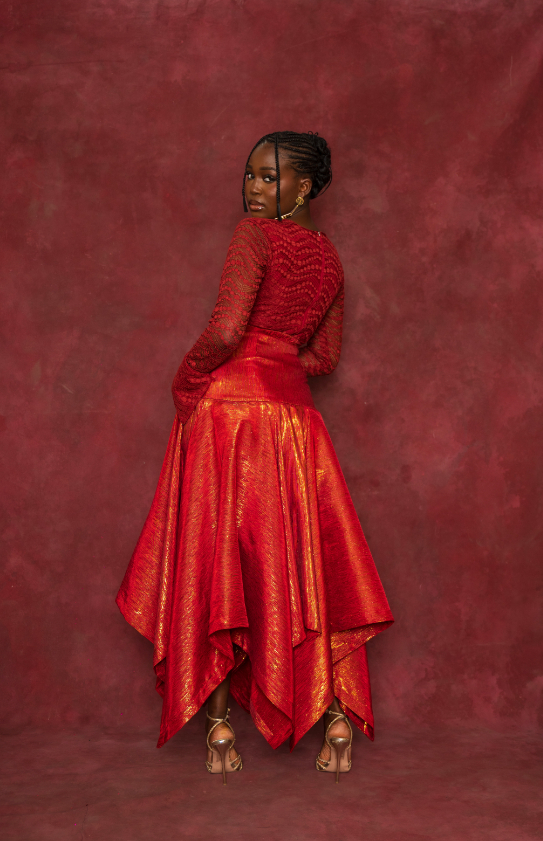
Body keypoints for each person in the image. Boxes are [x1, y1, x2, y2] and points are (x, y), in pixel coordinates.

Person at [116, 131, 393, 784]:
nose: (254, 187)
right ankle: (333, 719)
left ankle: (218, 730)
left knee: (221, 567)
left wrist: (188, 377)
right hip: (297, 427)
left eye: (270, 178)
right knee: (302, 569)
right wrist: (276, 371)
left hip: (231, 419)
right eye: (251, 175)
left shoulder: (252, 236)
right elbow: (321, 358)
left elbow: (225, 329)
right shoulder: (328, 259)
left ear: (305, 188)